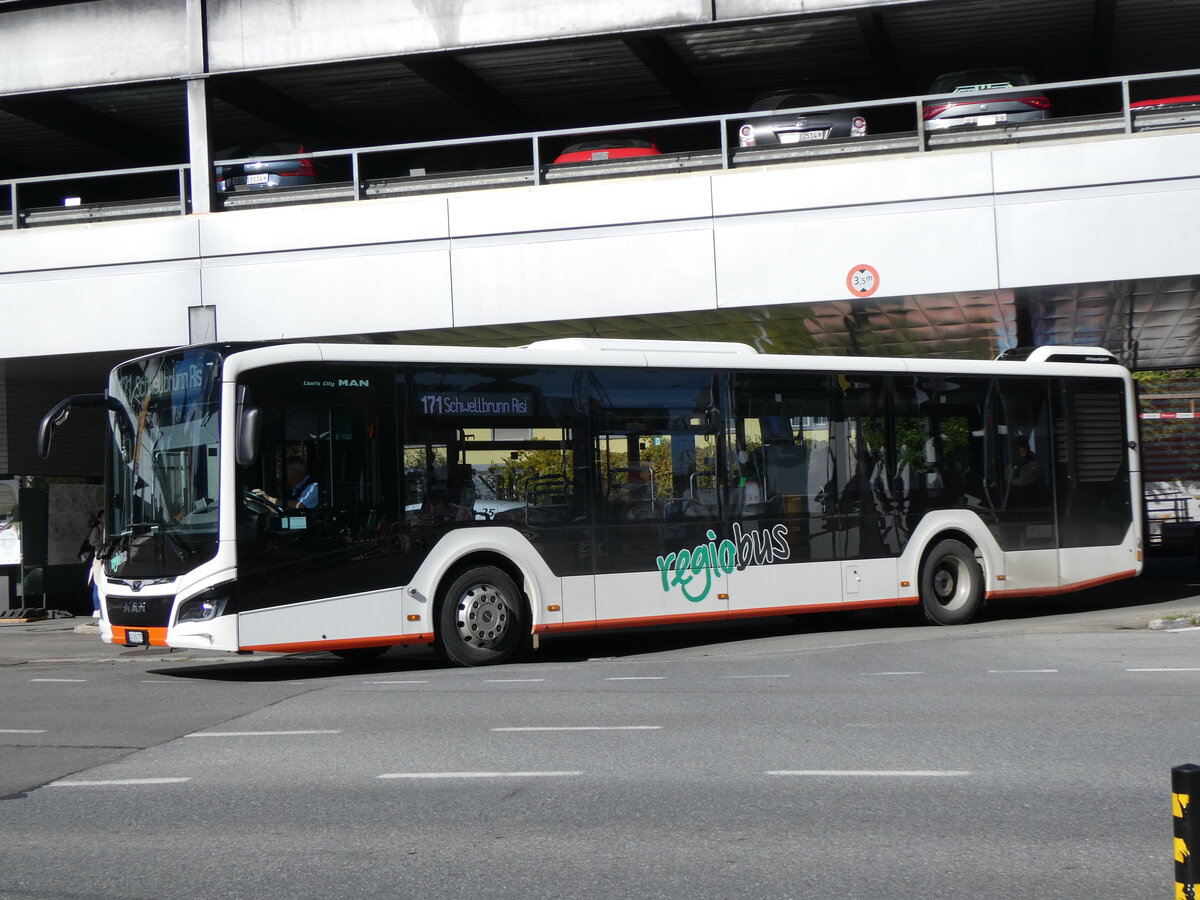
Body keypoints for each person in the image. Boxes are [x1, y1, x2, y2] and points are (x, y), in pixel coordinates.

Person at [254, 456, 319, 510]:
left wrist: (268, 498)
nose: (280, 474)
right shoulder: (291, 489)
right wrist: (258, 503)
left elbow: (299, 505)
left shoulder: (313, 487)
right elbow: (280, 510)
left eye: (283, 471)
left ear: (294, 473)